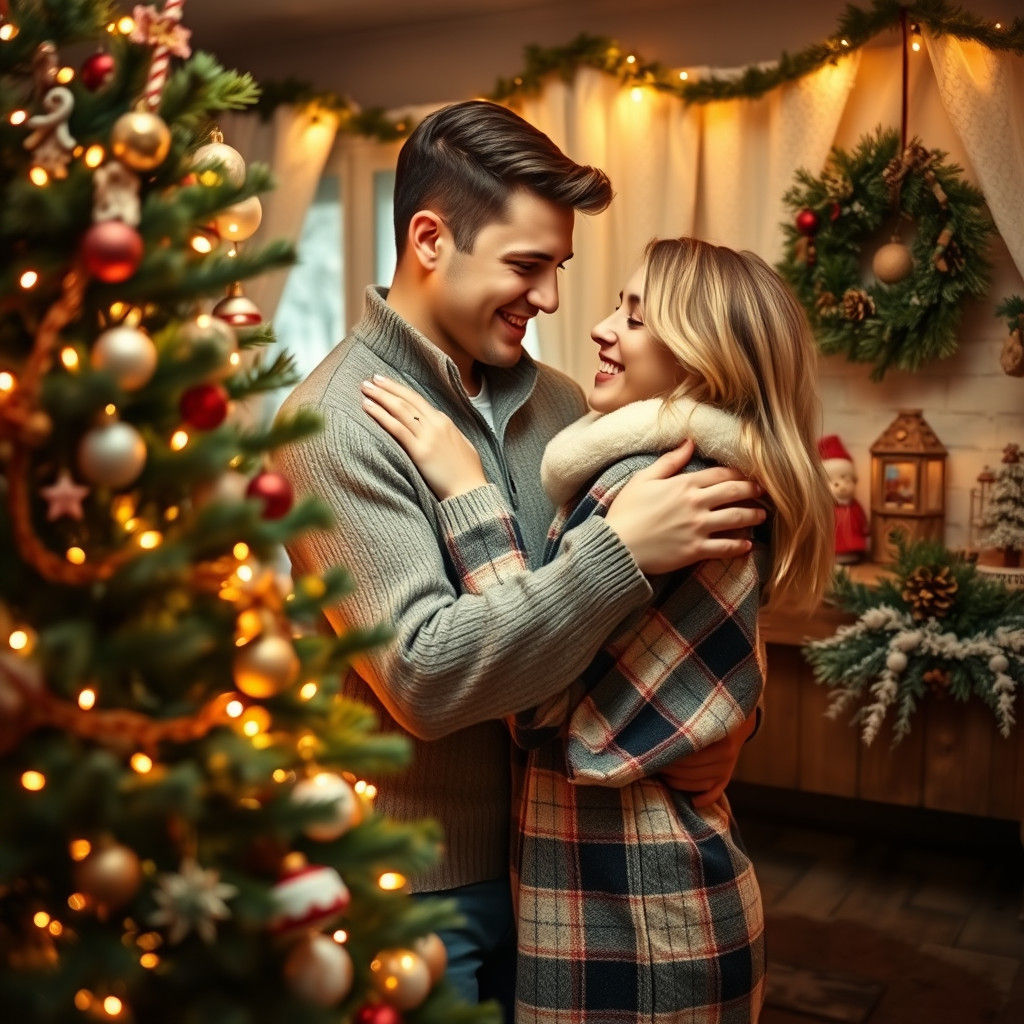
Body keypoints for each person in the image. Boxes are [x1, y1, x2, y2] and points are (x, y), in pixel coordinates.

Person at [272, 102, 764, 1016]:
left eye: (558, 269)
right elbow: (424, 676)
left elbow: (661, 621)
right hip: (418, 885)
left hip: (566, 869)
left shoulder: (570, 405)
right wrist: (615, 554)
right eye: (526, 266)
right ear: (430, 240)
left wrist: (721, 726)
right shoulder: (333, 423)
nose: (549, 300)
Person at [364, 236, 834, 1022]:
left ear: (704, 359)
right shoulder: (708, 473)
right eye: (618, 305)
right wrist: (731, 722)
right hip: (662, 902)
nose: (601, 327)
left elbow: (533, 702)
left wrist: (469, 492)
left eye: (636, 318)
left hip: (632, 922)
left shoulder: (645, 483)